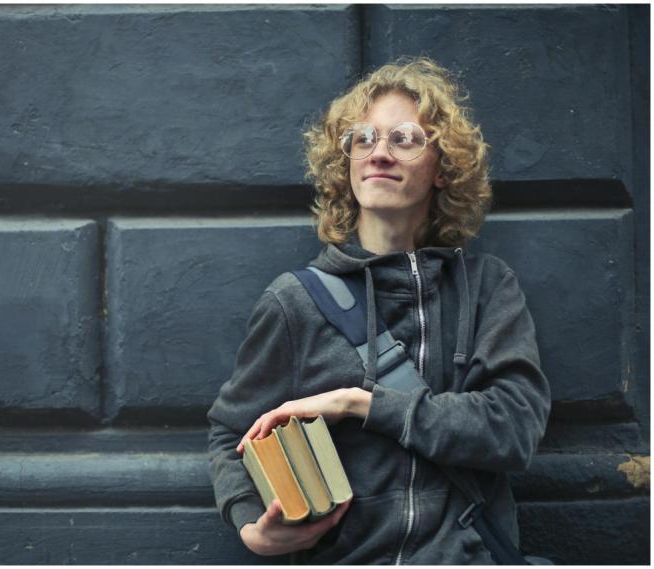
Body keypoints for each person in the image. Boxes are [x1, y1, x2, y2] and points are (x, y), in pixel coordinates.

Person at [207, 57, 552, 564]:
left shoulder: (485, 289)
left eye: (405, 138)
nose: (379, 153)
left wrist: (361, 404)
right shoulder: (296, 301)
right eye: (363, 138)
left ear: (443, 167)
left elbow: (513, 430)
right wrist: (249, 525)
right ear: (346, 162)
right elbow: (230, 434)